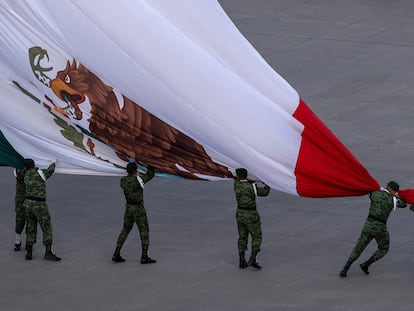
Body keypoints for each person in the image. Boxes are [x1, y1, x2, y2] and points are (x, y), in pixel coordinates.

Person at [339, 181, 407, 277]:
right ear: (391, 189)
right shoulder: (393, 200)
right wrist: (397, 195)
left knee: (359, 247)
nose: (395, 192)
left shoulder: (376, 194)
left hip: (369, 225)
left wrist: (377, 188)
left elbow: (370, 192)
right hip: (380, 228)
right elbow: (404, 205)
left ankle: (345, 269)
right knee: (384, 248)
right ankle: (366, 264)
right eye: (394, 191)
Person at [112, 162, 156, 264]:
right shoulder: (138, 180)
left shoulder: (123, 180)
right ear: (135, 170)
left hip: (128, 209)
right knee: (144, 231)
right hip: (138, 209)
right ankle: (144, 256)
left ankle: (116, 253)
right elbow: (151, 175)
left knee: (125, 230)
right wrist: (149, 164)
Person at [23, 158, 61, 261]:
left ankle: (29, 253)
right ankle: (48, 252)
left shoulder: (26, 175)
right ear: (33, 164)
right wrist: (53, 162)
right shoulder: (39, 174)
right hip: (39, 204)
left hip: (27, 204)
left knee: (31, 226)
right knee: (46, 227)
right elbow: (50, 170)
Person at [234, 168, 270, 269]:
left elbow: (239, 179)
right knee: (256, 236)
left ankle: (241, 260)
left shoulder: (236, 184)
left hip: (240, 214)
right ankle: (252, 258)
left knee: (242, 237)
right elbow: (264, 193)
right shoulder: (251, 186)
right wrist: (267, 184)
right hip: (251, 214)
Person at [13, 165, 26, 251]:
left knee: (28, 219)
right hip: (22, 198)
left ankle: (22, 241)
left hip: (27, 197)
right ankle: (18, 240)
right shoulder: (19, 170)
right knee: (20, 219)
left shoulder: (18, 167)